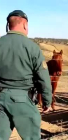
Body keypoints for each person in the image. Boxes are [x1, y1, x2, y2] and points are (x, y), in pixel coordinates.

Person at [0, 10, 52, 140]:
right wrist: (47, 101)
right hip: (23, 100)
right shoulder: (32, 47)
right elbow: (43, 78)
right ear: (25, 25)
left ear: (8, 25)